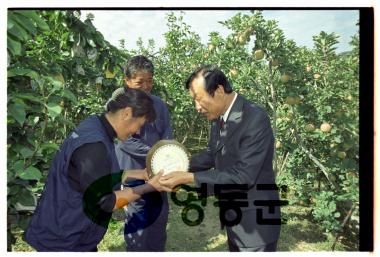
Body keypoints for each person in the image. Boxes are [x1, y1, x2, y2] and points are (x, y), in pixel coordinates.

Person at [24, 87, 170, 251]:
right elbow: (106, 202)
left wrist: (141, 174)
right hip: (64, 238)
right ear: (127, 113)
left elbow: (99, 177)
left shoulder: (95, 125)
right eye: (139, 125)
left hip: (72, 229)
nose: (137, 132)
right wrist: (149, 187)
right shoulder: (94, 146)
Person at [159, 65, 282, 252]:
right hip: (235, 217)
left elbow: (243, 176)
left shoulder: (254, 118)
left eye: (199, 99)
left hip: (256, 223)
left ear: (218, 90)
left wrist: (189, 178)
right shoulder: (219, 117)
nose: (197, 107)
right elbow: (211, 153)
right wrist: (179, 165)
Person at [115, 55, 172, 251]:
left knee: (159, 217)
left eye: (150, 81)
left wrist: (167, 154)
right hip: (133, 172)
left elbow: (167, 134)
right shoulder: (119, 106)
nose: (146, 86)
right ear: (128, 82)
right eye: (140, 82)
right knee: (138, 219)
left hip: (158, 172)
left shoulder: (159, 105)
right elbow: (125, 141)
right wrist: (155, 154)